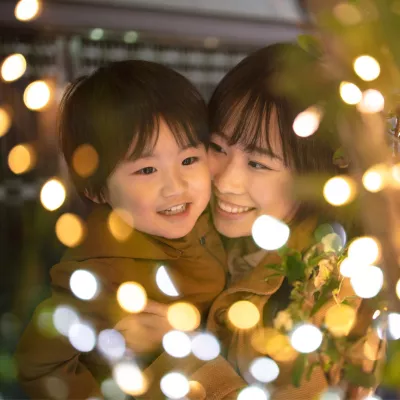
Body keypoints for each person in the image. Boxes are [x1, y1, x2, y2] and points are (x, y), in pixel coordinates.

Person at [125, 43, 380, 400]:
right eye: (218, 148)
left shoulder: (333, 292)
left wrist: (180, 350)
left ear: (312, 178)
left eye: (258, 164)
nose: (225, 181)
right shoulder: (190, 233)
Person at [15, 60, 231, 399]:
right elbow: (37, 365)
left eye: (189, 160)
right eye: (146, 170)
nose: (176, 187)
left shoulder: (212, 216)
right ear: (97, 189)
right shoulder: (99, 272)